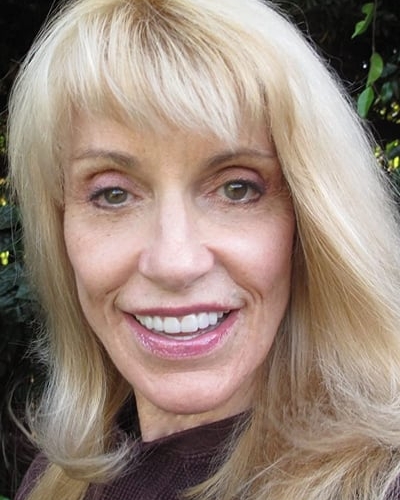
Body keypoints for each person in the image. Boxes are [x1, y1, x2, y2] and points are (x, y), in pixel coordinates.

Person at [8, 0, 400, 498]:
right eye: (113, 194)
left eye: (237, 188)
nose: (175, 263)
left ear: (311, 222)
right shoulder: (59, 479)